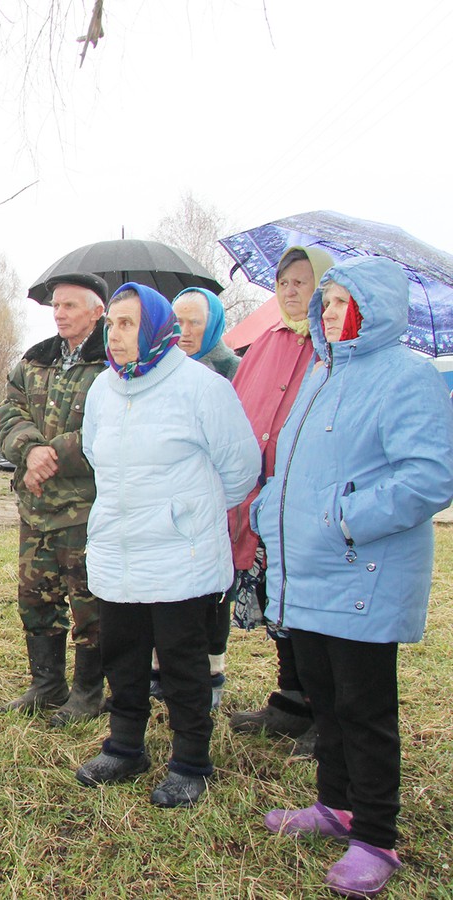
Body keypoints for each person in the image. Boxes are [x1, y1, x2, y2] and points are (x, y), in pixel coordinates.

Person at [255, 257, 453, 897]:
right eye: (327, 301)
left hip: (363, 571)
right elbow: (295, 465)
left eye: (343, 301)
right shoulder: (320, 372)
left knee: (365, 710)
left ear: (379, 308)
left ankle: (375, 836)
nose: (330, 310)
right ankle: (334, 805)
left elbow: (429, 476)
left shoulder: (407, 377)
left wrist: (345, 518)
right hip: (308, 572)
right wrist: (269, 507)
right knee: (325, 700)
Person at [73, 284, 258, 808]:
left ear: (155, 328)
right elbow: (95, 456)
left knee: (182, 661)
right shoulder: (104, 390)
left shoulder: (201, 387)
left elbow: (241, 471)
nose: (116, 335)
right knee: (123, 654)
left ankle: (191, 761)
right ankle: (125, 746)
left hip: (182, 553)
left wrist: (185, 512)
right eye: (112, 324)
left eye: (128, 324)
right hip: (118, 546)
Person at [227, 246, 334, 753]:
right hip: (261, 497)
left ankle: (324, 709)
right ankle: (291, 698)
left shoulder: (335, 345)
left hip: (308, 500)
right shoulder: (267, 341)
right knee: (276, 597)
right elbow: (242, 406)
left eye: (303, 283)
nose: (291, 292)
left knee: (309, 602)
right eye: (284, 283)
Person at [0, 273, 109, 724]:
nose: (59, 313)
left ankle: (87, 693)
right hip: (36, 505)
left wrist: (53, 454)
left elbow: (111, 427)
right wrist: (30, 450)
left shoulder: (112, 362)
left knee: (89, 605)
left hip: (86, 509)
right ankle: (46, 684)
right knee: (36, 598)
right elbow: (9, 414)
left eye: (70, 306)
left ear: (97, 311)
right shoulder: (34, 360)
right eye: (56, 306)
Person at [148, 287, 241, 710]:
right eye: (177, 322)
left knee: (212, 595)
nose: (184, 331)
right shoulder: (159, 370)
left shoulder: (232, 370)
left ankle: (212, 672)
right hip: (165, 504)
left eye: (195, 322)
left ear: (214, 324)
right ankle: (160, 670)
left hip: (215, 503)